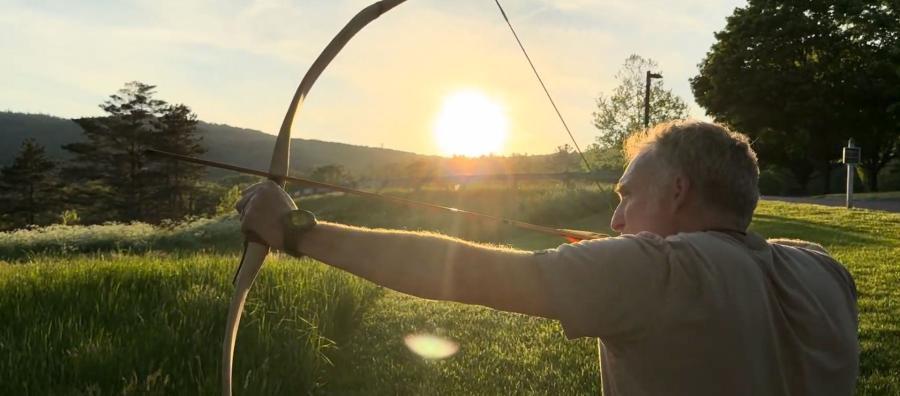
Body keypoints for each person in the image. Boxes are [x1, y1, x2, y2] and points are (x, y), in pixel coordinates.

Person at [236, 120, 858, 395]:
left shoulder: (659, 272)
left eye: (627, 198)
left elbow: (472, 272)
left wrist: (295, 233)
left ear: (677, 192)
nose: (615, 220)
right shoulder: (822, 268)